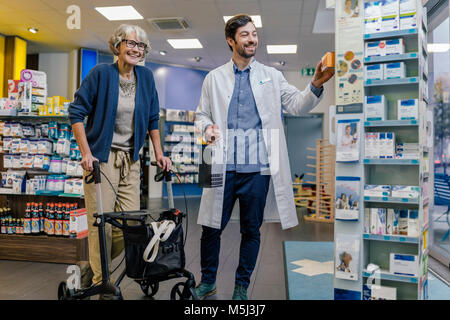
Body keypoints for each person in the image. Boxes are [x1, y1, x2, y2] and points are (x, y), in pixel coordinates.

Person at [194, 14, 334, 300]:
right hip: (219, 165)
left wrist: (316, 84)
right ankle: (208, 281)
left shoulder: (272, 76)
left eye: (254, 34)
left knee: (251, 231)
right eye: (245, 35)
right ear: (231, 41)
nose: (252, 39)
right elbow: (201, 114)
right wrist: (206, 127)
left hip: (257, 169)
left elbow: (296, 104)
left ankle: (242, 287)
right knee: (210, 227)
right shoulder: (213, 78)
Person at [68, 24, 171, 298]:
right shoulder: (101, 73)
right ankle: (105, 287)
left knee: (130, 227)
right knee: (99, 224)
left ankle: (90, 268)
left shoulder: (146, 78)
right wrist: (86, 152)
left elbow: (152, 118)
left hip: (131, 161)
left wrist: (159, 152)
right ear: (117, 45)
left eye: (141, 46)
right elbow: (76, 112)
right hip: (101, 160)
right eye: (131, 43)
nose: (136, 49)